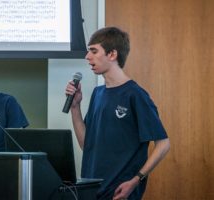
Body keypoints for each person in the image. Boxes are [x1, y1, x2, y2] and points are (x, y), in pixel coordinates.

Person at [65, 27, 170, 200]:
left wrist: (137, 179)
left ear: (112, 54)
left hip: (119, 193)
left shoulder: (135, 95)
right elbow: (87, 145)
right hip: (92, 191)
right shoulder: (97, 94)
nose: (87, 57)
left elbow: (163, 144)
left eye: (93, 51)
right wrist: (75, 107)